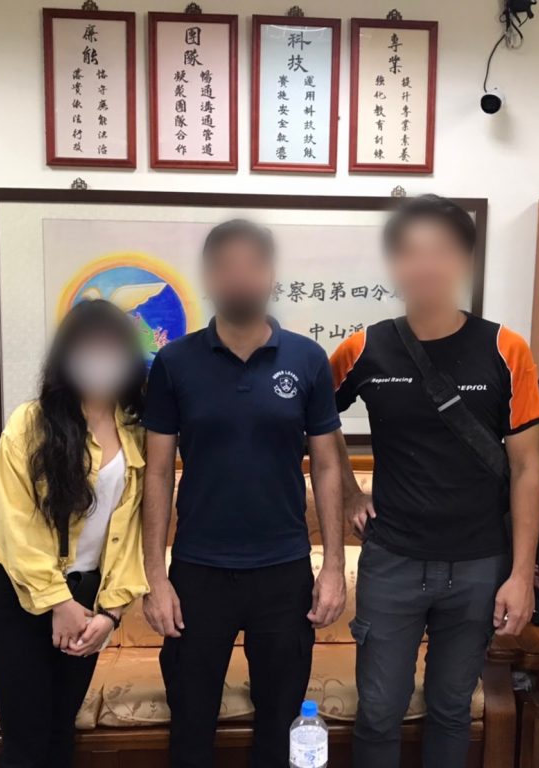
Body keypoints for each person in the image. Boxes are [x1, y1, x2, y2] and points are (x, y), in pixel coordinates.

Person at [329, 194, 539, 768]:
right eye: (411, 252)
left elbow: (527, 468)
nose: (426, 265)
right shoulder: (363, 347)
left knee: (452, 709)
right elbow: (314, 421)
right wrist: (349, 491)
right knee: (379, 711)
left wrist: (521, 574)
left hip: (478, 565)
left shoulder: (506, 349)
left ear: (464, 261)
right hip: (393, 560)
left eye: (441, 251)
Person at [140, 219, 347, 768]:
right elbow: (156, 473)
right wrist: (155, 576)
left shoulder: (306, 359)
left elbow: (328, 466)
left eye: (252, 265)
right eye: (225, 267)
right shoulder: (174, 363)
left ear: (270, 274)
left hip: (282, 572)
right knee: (191, 727)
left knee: (281, 730)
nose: (239, 278)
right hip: (197, 572)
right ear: (209, 277)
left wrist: (332, 567)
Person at [0, 299, 150, 768]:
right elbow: (15, 525)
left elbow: (131, 532)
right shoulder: (30, 423)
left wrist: (111, 614)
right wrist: (58, 603)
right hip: (21, 595)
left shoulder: (136, 430)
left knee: (61, 734)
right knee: (25, 743)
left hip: (90, 598)